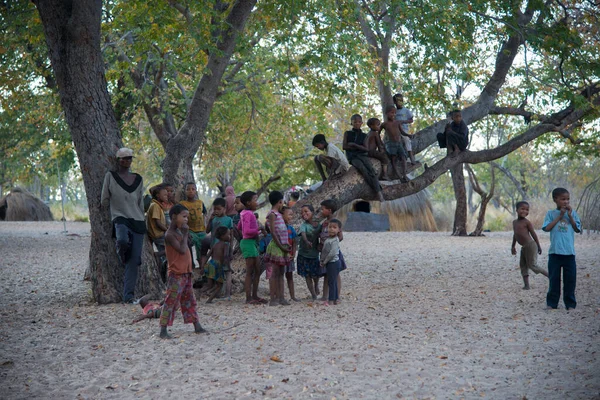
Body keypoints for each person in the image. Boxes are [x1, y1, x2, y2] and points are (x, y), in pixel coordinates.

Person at [101, 147, 146, 303]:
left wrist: (143, 218)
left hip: (138, 220)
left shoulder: (138, 179)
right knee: (121, 240)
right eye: (123, 158)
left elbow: (140, 202)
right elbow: (104, 199)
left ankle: (128, 296)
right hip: (119, 217)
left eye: (129, 158)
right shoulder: (111, 177)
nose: (126, 161)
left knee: (134, 262)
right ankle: (122, 255)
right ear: (117, 160)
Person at [159, 204, 205, 339]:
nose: (186, 220)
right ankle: (163, 329)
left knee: (190, 299)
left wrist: (186, 234)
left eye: (187, 217)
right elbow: (182, 249)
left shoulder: (179, 232)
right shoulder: (169, 234)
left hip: (186, 272)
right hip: (176, 274)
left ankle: (197, 325)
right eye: (184, 217)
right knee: (171, 301)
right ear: (174, 217)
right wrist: (185, 234)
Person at [542, 188, 581, 310]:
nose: (566, 202)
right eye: (563, 199)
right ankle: (552, 303)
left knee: (570, 280)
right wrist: (560, 216)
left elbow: (577, 229)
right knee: (554, 279)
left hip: (569, 253)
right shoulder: (550, 214)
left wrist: (569, 216)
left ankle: (570, 304)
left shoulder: (573, 214)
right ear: (555, 200)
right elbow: (547, 228)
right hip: (555, 253)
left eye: (568, 199)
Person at [343, 114, 385, 202]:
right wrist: (358, 147)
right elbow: (344, 146)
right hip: (352, 157)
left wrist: (354, 145)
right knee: (362, 169)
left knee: (371, 169)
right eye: (355, 122)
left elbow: (366, 148)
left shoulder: (364, 135)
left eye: (359, 122)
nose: (357, 124)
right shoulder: (347, 133)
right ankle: (377, 190)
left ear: (362, 123)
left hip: (362, 155)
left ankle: (379, 192)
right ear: (351, 123)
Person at [237, 191, 267, 304]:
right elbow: (246, 231)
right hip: (248, 242)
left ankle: (254, 295)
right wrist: (259, 229)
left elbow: (239, 226)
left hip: (249, 243)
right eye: (255, 200)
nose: (257, 202)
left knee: (257, 269)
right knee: (250, 271)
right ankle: (249, 297)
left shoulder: (244, 213)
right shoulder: (249, 214)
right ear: (248, 202)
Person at [511, 201, 548, 290]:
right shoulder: (514, 222)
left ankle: (551, 276)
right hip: (524, 247)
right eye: (522, 209)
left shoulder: (527, 222)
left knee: (532, 265)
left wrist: (538, 246)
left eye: (527, 209)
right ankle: (526, 285)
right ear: (516, 210)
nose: (525, 211)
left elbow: (533, 234)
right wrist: (513, 246)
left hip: (531, 245)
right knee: (523, 265)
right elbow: (515, 234)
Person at [264, 191, 291, 306]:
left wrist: (286, 245)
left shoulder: (279, 214)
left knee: (281, 273)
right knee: (274, 273)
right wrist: (281, 246)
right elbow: (273, 233)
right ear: (280, 202)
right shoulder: (272, 214)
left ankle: (281, 297)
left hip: (282, 247)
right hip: (276, 247)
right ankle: (273, 298)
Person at [205, 197, 233, 298]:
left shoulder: (229, 220)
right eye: (214, 209)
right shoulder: (214, 219)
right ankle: (216, 292)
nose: (216, 211)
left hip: (225, 249)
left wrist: (231, 250)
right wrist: (210, 220)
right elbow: (207, 231)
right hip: (215, 249)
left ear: (224, 209)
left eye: (218, 209)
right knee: (216, 270)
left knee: (227, 271)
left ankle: (227, 293)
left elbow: (232, 235)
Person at [318, 199, 344, 301]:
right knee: (326, 274)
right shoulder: (324, 223)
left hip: (334, 253)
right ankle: (325, 295)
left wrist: (333, 243)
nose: (321, 211)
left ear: (329, 210)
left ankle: (337, 295)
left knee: (336, 274)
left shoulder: (335, 223)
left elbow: (341, 237)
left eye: (322, 209)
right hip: (325, 252)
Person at [179, 182, 207, 269]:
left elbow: (205, 213)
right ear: (185, 191)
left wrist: (205, 221)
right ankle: (192, 264)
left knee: (203, 246)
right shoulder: (183, 204)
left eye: (193, 189)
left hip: (201, 230)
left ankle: (202, 266)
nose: (190, 191)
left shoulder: (200, 202)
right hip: (190, 230)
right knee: (192, 242)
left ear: (196, 191)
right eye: (188, 189)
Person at [297, 204, 322, 300]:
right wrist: (306, 241)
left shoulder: (319, 225)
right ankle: (313, 295)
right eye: (302, 212)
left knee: (315, 275)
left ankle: (316, 285)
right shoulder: (304, 225)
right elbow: (303, 234)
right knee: (307, 275)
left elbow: (322, 235)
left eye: (306, 211)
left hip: (314, 254)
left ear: (313, 212)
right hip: (303, 255)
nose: (304, 214)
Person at [380, 105, 409, 182]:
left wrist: (409, 135)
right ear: (387, 113)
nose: (393, 114)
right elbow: (377, 133)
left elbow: (402, 132)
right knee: (393, 160)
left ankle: (405, 175)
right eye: (391, 113)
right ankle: (400, 177)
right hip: (390, 144)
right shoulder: (384, 124)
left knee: (403, 158)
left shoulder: (397, 122)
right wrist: (381, 144)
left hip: (399, 143)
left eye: (395, 113)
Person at [146, 184, 169, 281]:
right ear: (158, 196)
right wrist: (167, 230)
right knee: (171, 251)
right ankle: (157, 255)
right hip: (158, 235)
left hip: (159, 234)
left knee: (167, 255)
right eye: (164, 195)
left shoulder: (157, 205)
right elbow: (157, 222)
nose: (167, 197)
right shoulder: (155, 206)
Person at [206, 226, 231, 304]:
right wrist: (228, 267)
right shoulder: (226, 245)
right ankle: (209, 300)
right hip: (218, 265)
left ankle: (200, 292)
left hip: (210, 263)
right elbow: (225, 256)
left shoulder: (215, 244)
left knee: (210, 285)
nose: (229, 236)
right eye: (228, 234)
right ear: (222, 236)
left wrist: (203, 266)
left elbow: (208, 255)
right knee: (219, 285)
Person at [320, 219, 342, 306]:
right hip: (329, 262)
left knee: (332, 282)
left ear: (339, 230)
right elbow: (324, 251)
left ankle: (331, 300)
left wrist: (325, 261)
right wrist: (322, 260)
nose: (331, 229)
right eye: (330, 227)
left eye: (334, 227)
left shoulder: (335, 240)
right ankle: (335, 299)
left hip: (333, 263)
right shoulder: (329, 239)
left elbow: (332, 253)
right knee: (332, 281)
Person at [393, 93, 417, 165]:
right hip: (396, 130)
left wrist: (403, 121)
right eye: (398, 101)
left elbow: (411, 120)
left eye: (401, 100)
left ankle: (411, 156)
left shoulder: (406, 110)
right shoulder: (394, 111)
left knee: (406, 140)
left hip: (404, 129)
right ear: (394, 102)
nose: (400, 102)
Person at [282, 206, 299, 302]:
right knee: (280, 276)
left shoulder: (291, 229)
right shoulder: (279, 228)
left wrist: (294, 253)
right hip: (281, 256)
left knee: (289, 276)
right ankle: (280, 295)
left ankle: (292, 296)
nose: (291, 216)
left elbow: (294, 242)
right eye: (289, 214)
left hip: (290, 256)